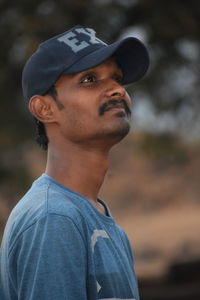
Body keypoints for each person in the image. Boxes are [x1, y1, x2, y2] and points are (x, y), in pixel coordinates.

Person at [0, 25, 149, 300]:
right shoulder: (54, 219)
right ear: (44, 108)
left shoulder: (106, 225)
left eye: (117, 78)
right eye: (90, 79)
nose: (117, 89)